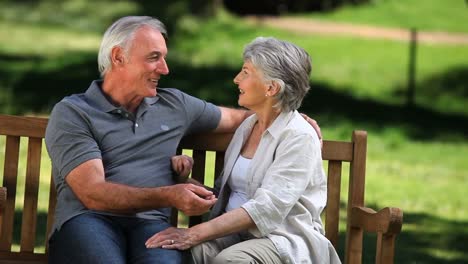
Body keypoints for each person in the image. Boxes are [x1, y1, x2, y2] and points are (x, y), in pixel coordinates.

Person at [44, 16, 321, 264]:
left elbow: (244, 116)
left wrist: (289, 112)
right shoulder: (74, 113)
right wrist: (170, 192)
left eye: (164, 57)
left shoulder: (175, 104)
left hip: (151, 224)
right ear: (118, 57)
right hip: (88, 220)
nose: (164, 69)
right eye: (154, 57)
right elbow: (94, 194)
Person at [145, 37, 341, 264]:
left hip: (282, 240)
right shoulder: (248, 127)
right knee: (174, 255)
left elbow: (266, 209)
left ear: (271, 87)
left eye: (246, 72)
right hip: (235, 235)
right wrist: (183, 179)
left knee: (230, 261)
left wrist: (192, 233)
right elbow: (227, 195)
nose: (236, 79)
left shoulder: (299, 137)